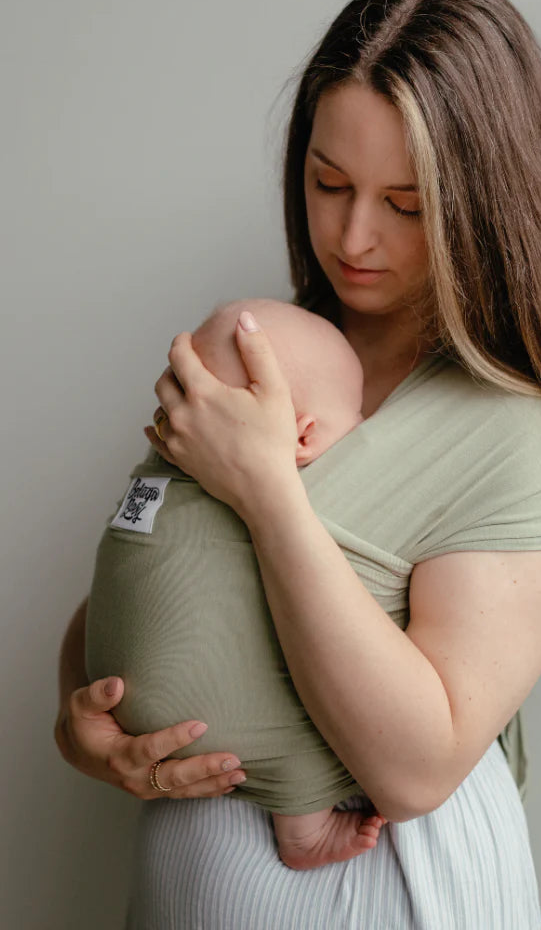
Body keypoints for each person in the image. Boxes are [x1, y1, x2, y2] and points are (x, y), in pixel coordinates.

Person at [55, 0, 541, 928]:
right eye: (327, 182)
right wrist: (87, 726)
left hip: (392, 886)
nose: (352, 236)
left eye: (406, 204)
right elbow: (160, 576)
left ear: (484, 204)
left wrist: (266, 491)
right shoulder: (269, 353)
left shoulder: (514, 435)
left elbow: (415, 766)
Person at [85, 296, 390, 870]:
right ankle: (303, 830)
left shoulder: (159, 470)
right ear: (304, 436)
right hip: (212, 724)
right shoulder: (316, 489)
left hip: (112, 693)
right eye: (355, 413)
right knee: (299, 733)